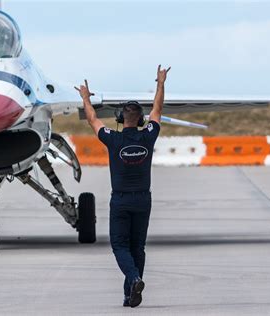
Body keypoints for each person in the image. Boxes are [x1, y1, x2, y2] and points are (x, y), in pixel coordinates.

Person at [75, 65, 170, 308]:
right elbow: (157, 110)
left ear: (120, 119)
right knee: (138, 246)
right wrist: (160, 83)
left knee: (119, 246)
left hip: (120, 200)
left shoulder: (113, 138)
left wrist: (85, 98)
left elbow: (93, 119)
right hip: (143, 200)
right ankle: (130, 295)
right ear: (141, 119)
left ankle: (134, 278)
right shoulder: (149, 135)